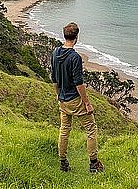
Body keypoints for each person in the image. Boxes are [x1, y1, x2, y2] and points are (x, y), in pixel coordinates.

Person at [50, 22, 104, 173]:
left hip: (62, 99)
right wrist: (87, 103)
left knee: (64, 129)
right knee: (91, 128)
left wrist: (58, 95)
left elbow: (54, 78)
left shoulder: (55, 53)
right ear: (76, 37)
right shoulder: (75, 57)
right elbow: (79, 84)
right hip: (75, 99)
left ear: (65, 35)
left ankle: (63, 162)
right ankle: (94, 164)